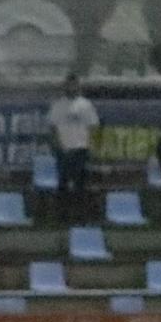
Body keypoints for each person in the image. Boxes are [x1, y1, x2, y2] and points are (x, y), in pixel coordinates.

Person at [46, 74, 99, 223]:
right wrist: (58, 145)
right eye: (69, 85)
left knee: (80, 184)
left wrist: (90, 145)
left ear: (78, 86)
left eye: (74, 85)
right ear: (65, 87)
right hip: (63, 150)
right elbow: (52, 127)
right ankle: (61, 216)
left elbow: (93, 126)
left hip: (81, 149)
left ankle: (80, 216)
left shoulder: (86, 105)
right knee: (62, 183)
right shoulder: (58, 105)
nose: (72, 88)